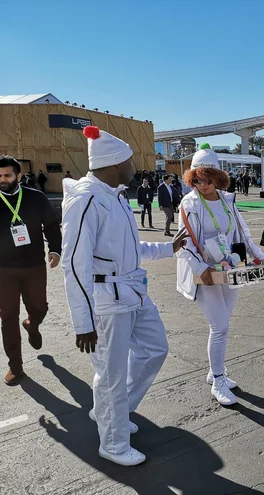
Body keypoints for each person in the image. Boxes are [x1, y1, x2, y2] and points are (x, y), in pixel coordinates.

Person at [61, 126, 187, 466]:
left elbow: (130, 250)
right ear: (113, 164)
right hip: (105, 302)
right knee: (111, 373)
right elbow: (74, 264)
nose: (135, 167)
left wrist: (168, 248)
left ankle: (111, 409)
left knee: (155, 348)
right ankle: (113, 443)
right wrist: (83, 323)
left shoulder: (114, 195)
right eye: (130, 161)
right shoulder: (85, 199)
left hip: (132, 291)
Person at [176, 147, 264, 406]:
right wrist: (200, 268)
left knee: (222, 326)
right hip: (205, 273)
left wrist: (258, 254)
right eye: (196, 179)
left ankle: (215, 371)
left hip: (230, 270)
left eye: (207, 178)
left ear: (218, 177)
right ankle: (217, 379)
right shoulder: (189, 203)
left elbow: (243, 233)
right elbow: (186, 243)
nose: (202, 184)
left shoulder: (228, 200)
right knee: (219, 327)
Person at [0, 156, 61, 385]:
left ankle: (32, 323)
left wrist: (55, 249)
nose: (2, 180)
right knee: (7, 317)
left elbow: (52, 226)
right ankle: (15, 366)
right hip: (3, 270)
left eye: (7, 175)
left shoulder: (36, 197)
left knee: (39, 307)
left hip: (34, 266)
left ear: (17, 175)